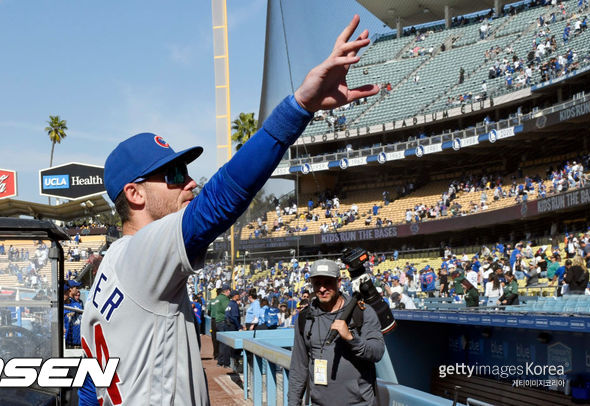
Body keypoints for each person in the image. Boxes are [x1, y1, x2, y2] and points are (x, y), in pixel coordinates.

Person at [79, 14, 378, 406]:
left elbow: (89, 389)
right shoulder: (141, 253)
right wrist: (299, 107)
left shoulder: (107, 276)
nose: (189, 181)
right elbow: (219, 202)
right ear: (134, 195)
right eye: (172, 174)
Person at [288, 259, 385, 406]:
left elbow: (377, 352)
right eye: (317, 283)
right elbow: (299, 367)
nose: (322, 289)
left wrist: (352, 338)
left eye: (327, 282)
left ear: (338, 282)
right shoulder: (305, 318)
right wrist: (293, 403)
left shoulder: (361, 312)